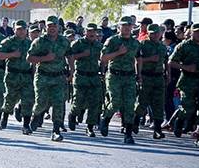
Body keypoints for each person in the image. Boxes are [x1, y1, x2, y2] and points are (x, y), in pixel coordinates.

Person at [168, 22, 199, 148]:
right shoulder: (183, 46)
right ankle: (179, 120)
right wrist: (186, 67)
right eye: (197, 31)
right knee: (188, 108)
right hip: (188, 80)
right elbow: (171, 62)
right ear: (191, 32)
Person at [28, 16, 71, 142]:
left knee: (58, 103)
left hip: (58, 77)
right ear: (45, 27)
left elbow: (70, 55)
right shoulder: (39, 41)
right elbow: (29, 58)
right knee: (41, 103)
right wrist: (44, 58)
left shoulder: (64, 41)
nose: (52, 28)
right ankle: (35, 116)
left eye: (54, 26)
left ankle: (56, 130)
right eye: (49, 26)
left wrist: (72, 70)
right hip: (43, 76)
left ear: (58, 27)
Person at [99, 16, 140, 144]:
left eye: (129, 26)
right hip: (114, 76)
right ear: (119, 27)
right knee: (115, 101)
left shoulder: (135, 43)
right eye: (124, 26)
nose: (127, 28)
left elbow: (139, 59)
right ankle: (105, 119)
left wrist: (139, 74)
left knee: (129, 105)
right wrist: (118, 52)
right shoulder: (112, 41)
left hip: (129, 77)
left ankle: (128, 134)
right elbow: (103, 58)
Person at [66, 23, 104, 137]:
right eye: (90, 31)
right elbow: (70, 57)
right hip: (81, 76)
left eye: (94, 31)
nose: (92, 33)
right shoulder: (78, 43)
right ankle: (72, 115)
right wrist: (82, 54)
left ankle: (90, 127)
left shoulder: (99, 45)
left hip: (94, 76)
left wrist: (102, 70)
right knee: (78, 101)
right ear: (85, 32)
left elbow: (102, 59)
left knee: (94, 103)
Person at [0, 20, 34, 133]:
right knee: (10, 98)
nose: (21, 31)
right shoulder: (8, 42)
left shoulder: (30, 43)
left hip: (26, 75)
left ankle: (26, 125)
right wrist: (12, 54)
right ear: (14, 30)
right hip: (13, 75)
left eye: (23, 29)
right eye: (18, 29)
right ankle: (4, 119)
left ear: (26, 30)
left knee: (28, 100)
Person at [134, 23, 168, 140]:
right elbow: (137, 60)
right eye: (152, 33)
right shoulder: (142, 45)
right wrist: (139, 75)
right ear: (148, 34)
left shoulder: (162, 47)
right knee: (142, 101)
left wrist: (167, 74)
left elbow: (166, 61)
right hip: (146, 76)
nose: (155, 35)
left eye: (157, 33)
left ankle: (157, 130)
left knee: (159, 104)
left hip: (158, 77)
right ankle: (135, 121)